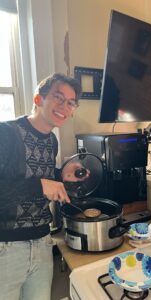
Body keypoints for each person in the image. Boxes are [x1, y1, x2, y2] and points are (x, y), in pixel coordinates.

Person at [0, 73, 84, 300]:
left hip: (42, 242)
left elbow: (37, 177)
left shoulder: (51, 140)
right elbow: (33, 185)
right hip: (6, 247)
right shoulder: (6, 133)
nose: (64, 107)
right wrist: (40, 185)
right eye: (58, 98)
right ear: (39, 99)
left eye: (70, 102)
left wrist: (60, 176)